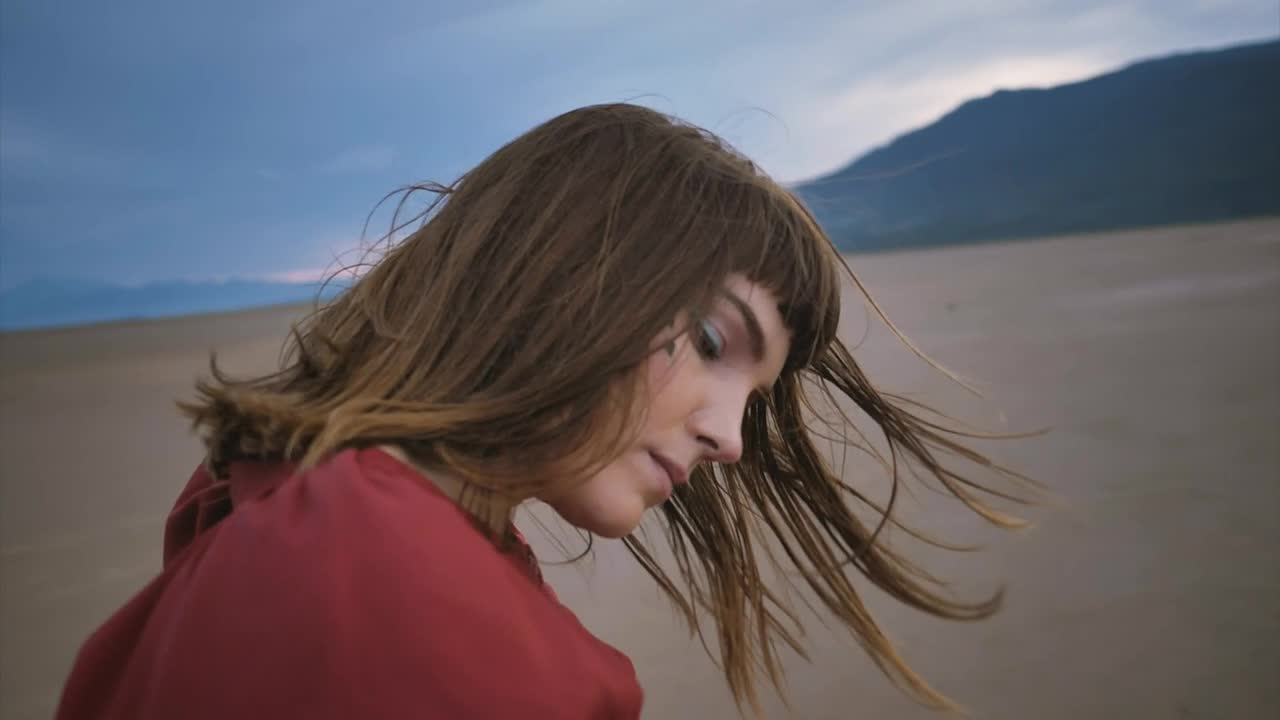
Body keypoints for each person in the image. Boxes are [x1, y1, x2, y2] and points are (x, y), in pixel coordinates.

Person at [56, 103, 1033, 719]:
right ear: (561, 271)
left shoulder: (274, 501)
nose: (729, 439)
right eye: (708, 341)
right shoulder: (414, 614)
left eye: (754, 396)